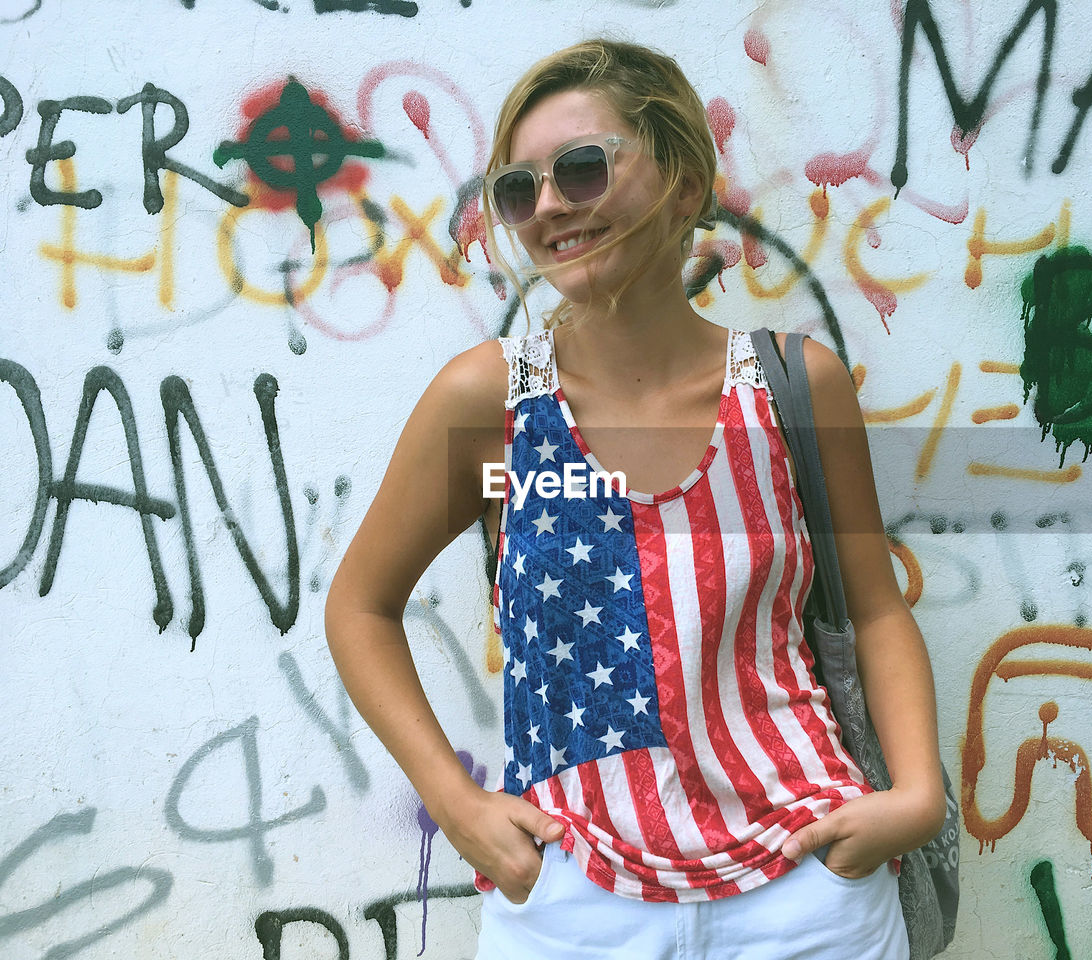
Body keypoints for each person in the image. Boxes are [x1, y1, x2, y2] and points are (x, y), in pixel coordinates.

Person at [325, 38, 945, 960]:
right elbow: (361, 607)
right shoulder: (490, 409)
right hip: (574, 899)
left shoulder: (792, 389)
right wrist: (457, 807)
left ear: (686, 183)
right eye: (515, 189)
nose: (546, 209)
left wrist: (915, 798)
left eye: (581, 169)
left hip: (806, 897)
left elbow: (874, 606)